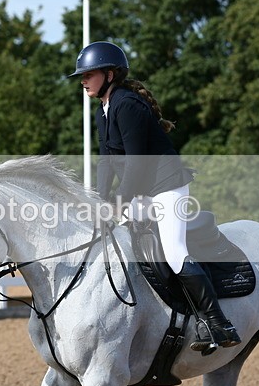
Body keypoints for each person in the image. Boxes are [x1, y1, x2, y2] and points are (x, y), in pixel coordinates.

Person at [68, 41, 241, 354]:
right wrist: (98, 202)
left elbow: (137, 163)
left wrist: (119, 202)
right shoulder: (103, 112)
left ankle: (216, 320)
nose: (83, 79)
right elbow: (107, 163)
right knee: (126, 242)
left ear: (109, 74)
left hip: (166, 186)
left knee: (173, 252)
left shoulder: (126, 104)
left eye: (88, 74)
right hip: (142, 188)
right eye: (82, 75)